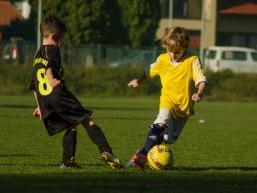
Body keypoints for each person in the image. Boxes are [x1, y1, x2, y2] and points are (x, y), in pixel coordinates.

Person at [29, 15, 122, 169]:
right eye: (62, 38)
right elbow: (49, 69)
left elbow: (34, 84)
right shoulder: (52, 50)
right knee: (86, 119)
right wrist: (51, 79)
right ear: (54, 36)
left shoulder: (37, 54)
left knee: (72, 124)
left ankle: (67, 162)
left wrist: (40, 105)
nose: (62, 42)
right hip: (58, 94)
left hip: (45, 99)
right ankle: (106, 151)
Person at [126, 27, 207, 169]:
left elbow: (201, 80)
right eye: (170, 50)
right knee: (160, 124)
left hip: (184, 107)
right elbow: (149, 71)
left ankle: (145, 152)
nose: (173, 54)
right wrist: (138, 80)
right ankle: (142, 156)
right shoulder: (162, 59)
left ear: (186, 47)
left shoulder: (192, 60)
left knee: (168, 139)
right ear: (166, 46)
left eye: (177, 52)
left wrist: (199, 93)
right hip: (167, 100)